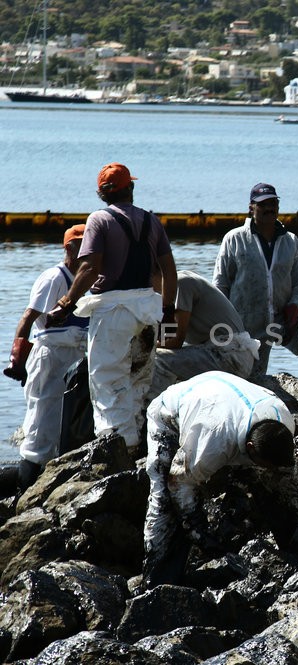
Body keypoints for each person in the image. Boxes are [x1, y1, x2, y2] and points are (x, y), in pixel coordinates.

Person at [46, 163, 177, 455]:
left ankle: (115, 450)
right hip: (146, 309)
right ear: (131, 187)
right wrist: (167, 310)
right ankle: (137, 448)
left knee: (107, 381)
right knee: (138, 382)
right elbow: (169, 269)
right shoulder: (151, 221)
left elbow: (90, 268)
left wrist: (65, 304)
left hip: (113, 312)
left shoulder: (99, 219)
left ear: (101, 194)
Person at [142, 370, 298, 587]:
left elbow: (289, 476)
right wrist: (198, 531)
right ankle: (156, 579)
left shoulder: (283, 421)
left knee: (280, 481)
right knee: (163, 500)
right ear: (250, 449)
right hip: (170, 414)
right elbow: (179, 483)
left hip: (222, 396)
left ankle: (296, 546)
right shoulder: (212, 441)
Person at [4, 225, 89, 493]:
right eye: (81, 246)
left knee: (63, 429)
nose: (87, 252)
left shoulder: (86, 281)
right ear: (68, 248)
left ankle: (45, 485)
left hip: (73, 360)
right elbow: (28, 318)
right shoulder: (54, 278)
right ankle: (24, 491)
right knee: (41, 427)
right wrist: (17, 360)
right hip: (50, 358)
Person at [213, 183, 298, 382]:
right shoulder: (233, 239)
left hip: (282, 320)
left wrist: (296, 306)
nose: (269, 208)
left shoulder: (291, 241)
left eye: (273, 203)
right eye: (263, 205)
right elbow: (220, 286)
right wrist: (224, 323)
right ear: (251, 207)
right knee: (249, 379)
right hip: (245, 325)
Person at [147, 270, 261, 400]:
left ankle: (149, 411)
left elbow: (176, 341)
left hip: (230, 355)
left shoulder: (181, 283)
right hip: (229, 354)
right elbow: (163, 337)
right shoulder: (170, 295)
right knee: (157, 357)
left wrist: (146, 348)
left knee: (157, 360)